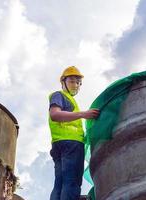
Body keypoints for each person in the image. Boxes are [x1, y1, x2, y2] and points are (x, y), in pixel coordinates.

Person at [48, 66, 100, 200]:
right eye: (72, 80)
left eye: (78, 82)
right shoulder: (59, 95)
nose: (76, 84)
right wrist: (84, 114)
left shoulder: (69, 100)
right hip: (71, 144)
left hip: (59, 145)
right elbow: (55, 114)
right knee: (72, 182)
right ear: (63, 81)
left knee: (60, 184)